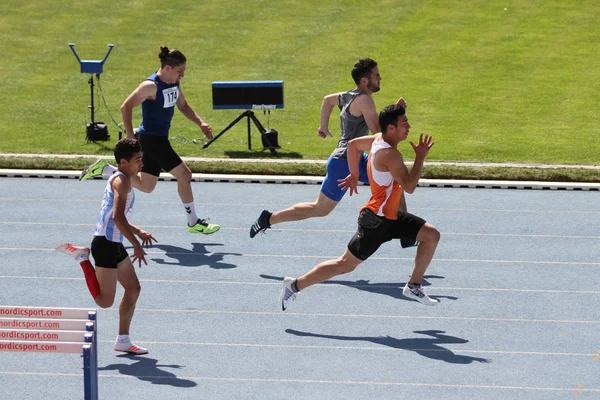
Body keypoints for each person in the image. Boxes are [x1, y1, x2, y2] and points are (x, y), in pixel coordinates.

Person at [278, 104, 440, 310]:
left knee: (431, 235)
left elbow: (353, 145)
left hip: (391, 217)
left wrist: (354, 174)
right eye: (404, 123)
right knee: (344, 265)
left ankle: (414, 285)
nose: (408, 126)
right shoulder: (390, 154)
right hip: (376, 222)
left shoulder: (377, 139)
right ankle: (294, 285)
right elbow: (409, 187)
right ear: (391, 128)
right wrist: (420, 158)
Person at [250, 58, 411, 240]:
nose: (380, 78)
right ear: (365, 80)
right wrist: (396, 112)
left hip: (355, 158)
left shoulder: (347, 96)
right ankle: (269, 219)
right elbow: (379, 135)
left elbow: (327, 101)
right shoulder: (365, 101)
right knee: (320, 209)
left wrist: (323, 127)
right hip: (344, 163)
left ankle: (405, 232)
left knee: (396, 178)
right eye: (376, 75)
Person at [79, 46, 220, 235]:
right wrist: (129, 136)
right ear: (168, 68)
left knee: (146, 186)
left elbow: (183, 106)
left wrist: (200, 123)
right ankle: (193, 222)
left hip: (159, 139)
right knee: (185, 175)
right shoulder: (150, 86)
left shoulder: (174, 84)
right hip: (151, 141)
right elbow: (126, 106)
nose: (183, 75)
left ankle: (105, 169)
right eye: (180, 71)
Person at [56, 138, 157, 354]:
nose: (141, 164)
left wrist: (138, 231)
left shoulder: (122, 178)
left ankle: (123, 340)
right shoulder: (122, 182)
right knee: (104, 301)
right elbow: (118, 218)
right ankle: (83, 259)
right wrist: (136, 245)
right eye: (137, 160)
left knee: (133, 288)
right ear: (123, 162)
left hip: (113, 243)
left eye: (142, 159)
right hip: (105, 245)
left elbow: (116, 218)